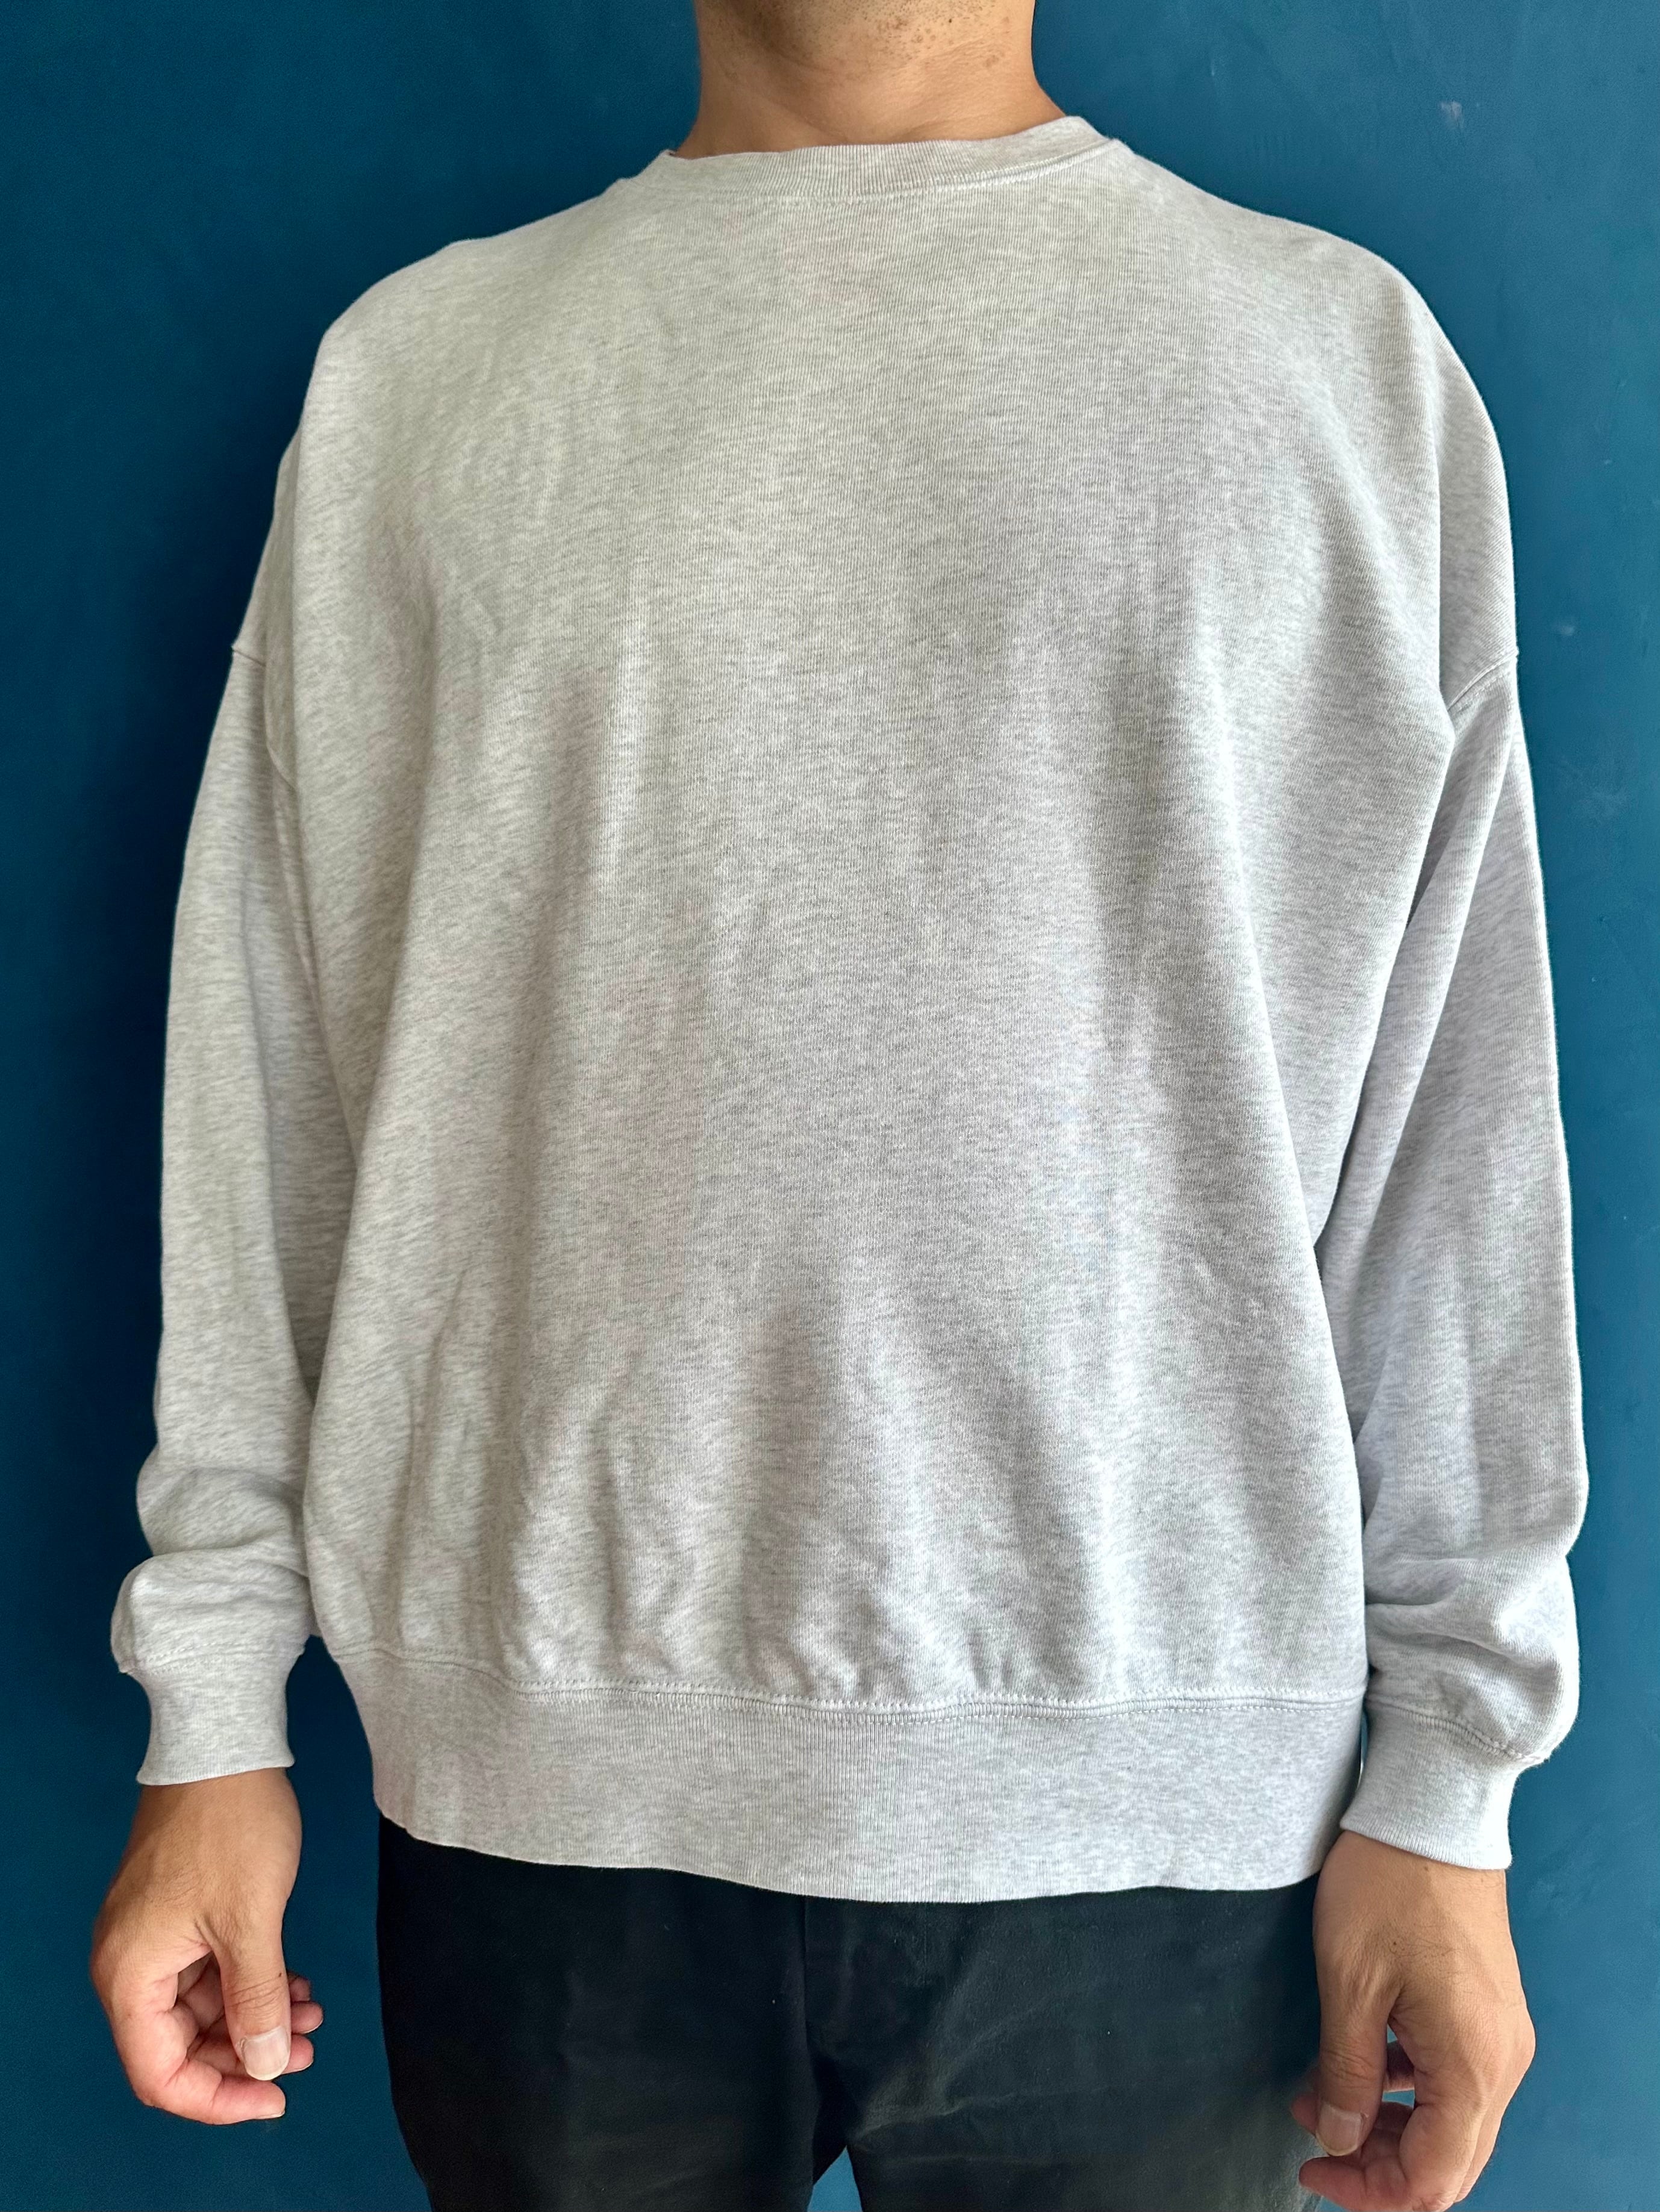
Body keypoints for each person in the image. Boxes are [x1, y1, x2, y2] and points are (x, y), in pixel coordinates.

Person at [89, 2, 1590, 2207]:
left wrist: (1452, 1781)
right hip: (542, 1789)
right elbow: (272, 1074)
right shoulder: (421, 375)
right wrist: (211, 1708)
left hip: (1157, 1807)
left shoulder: (1336, 367)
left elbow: (1451, 1128)